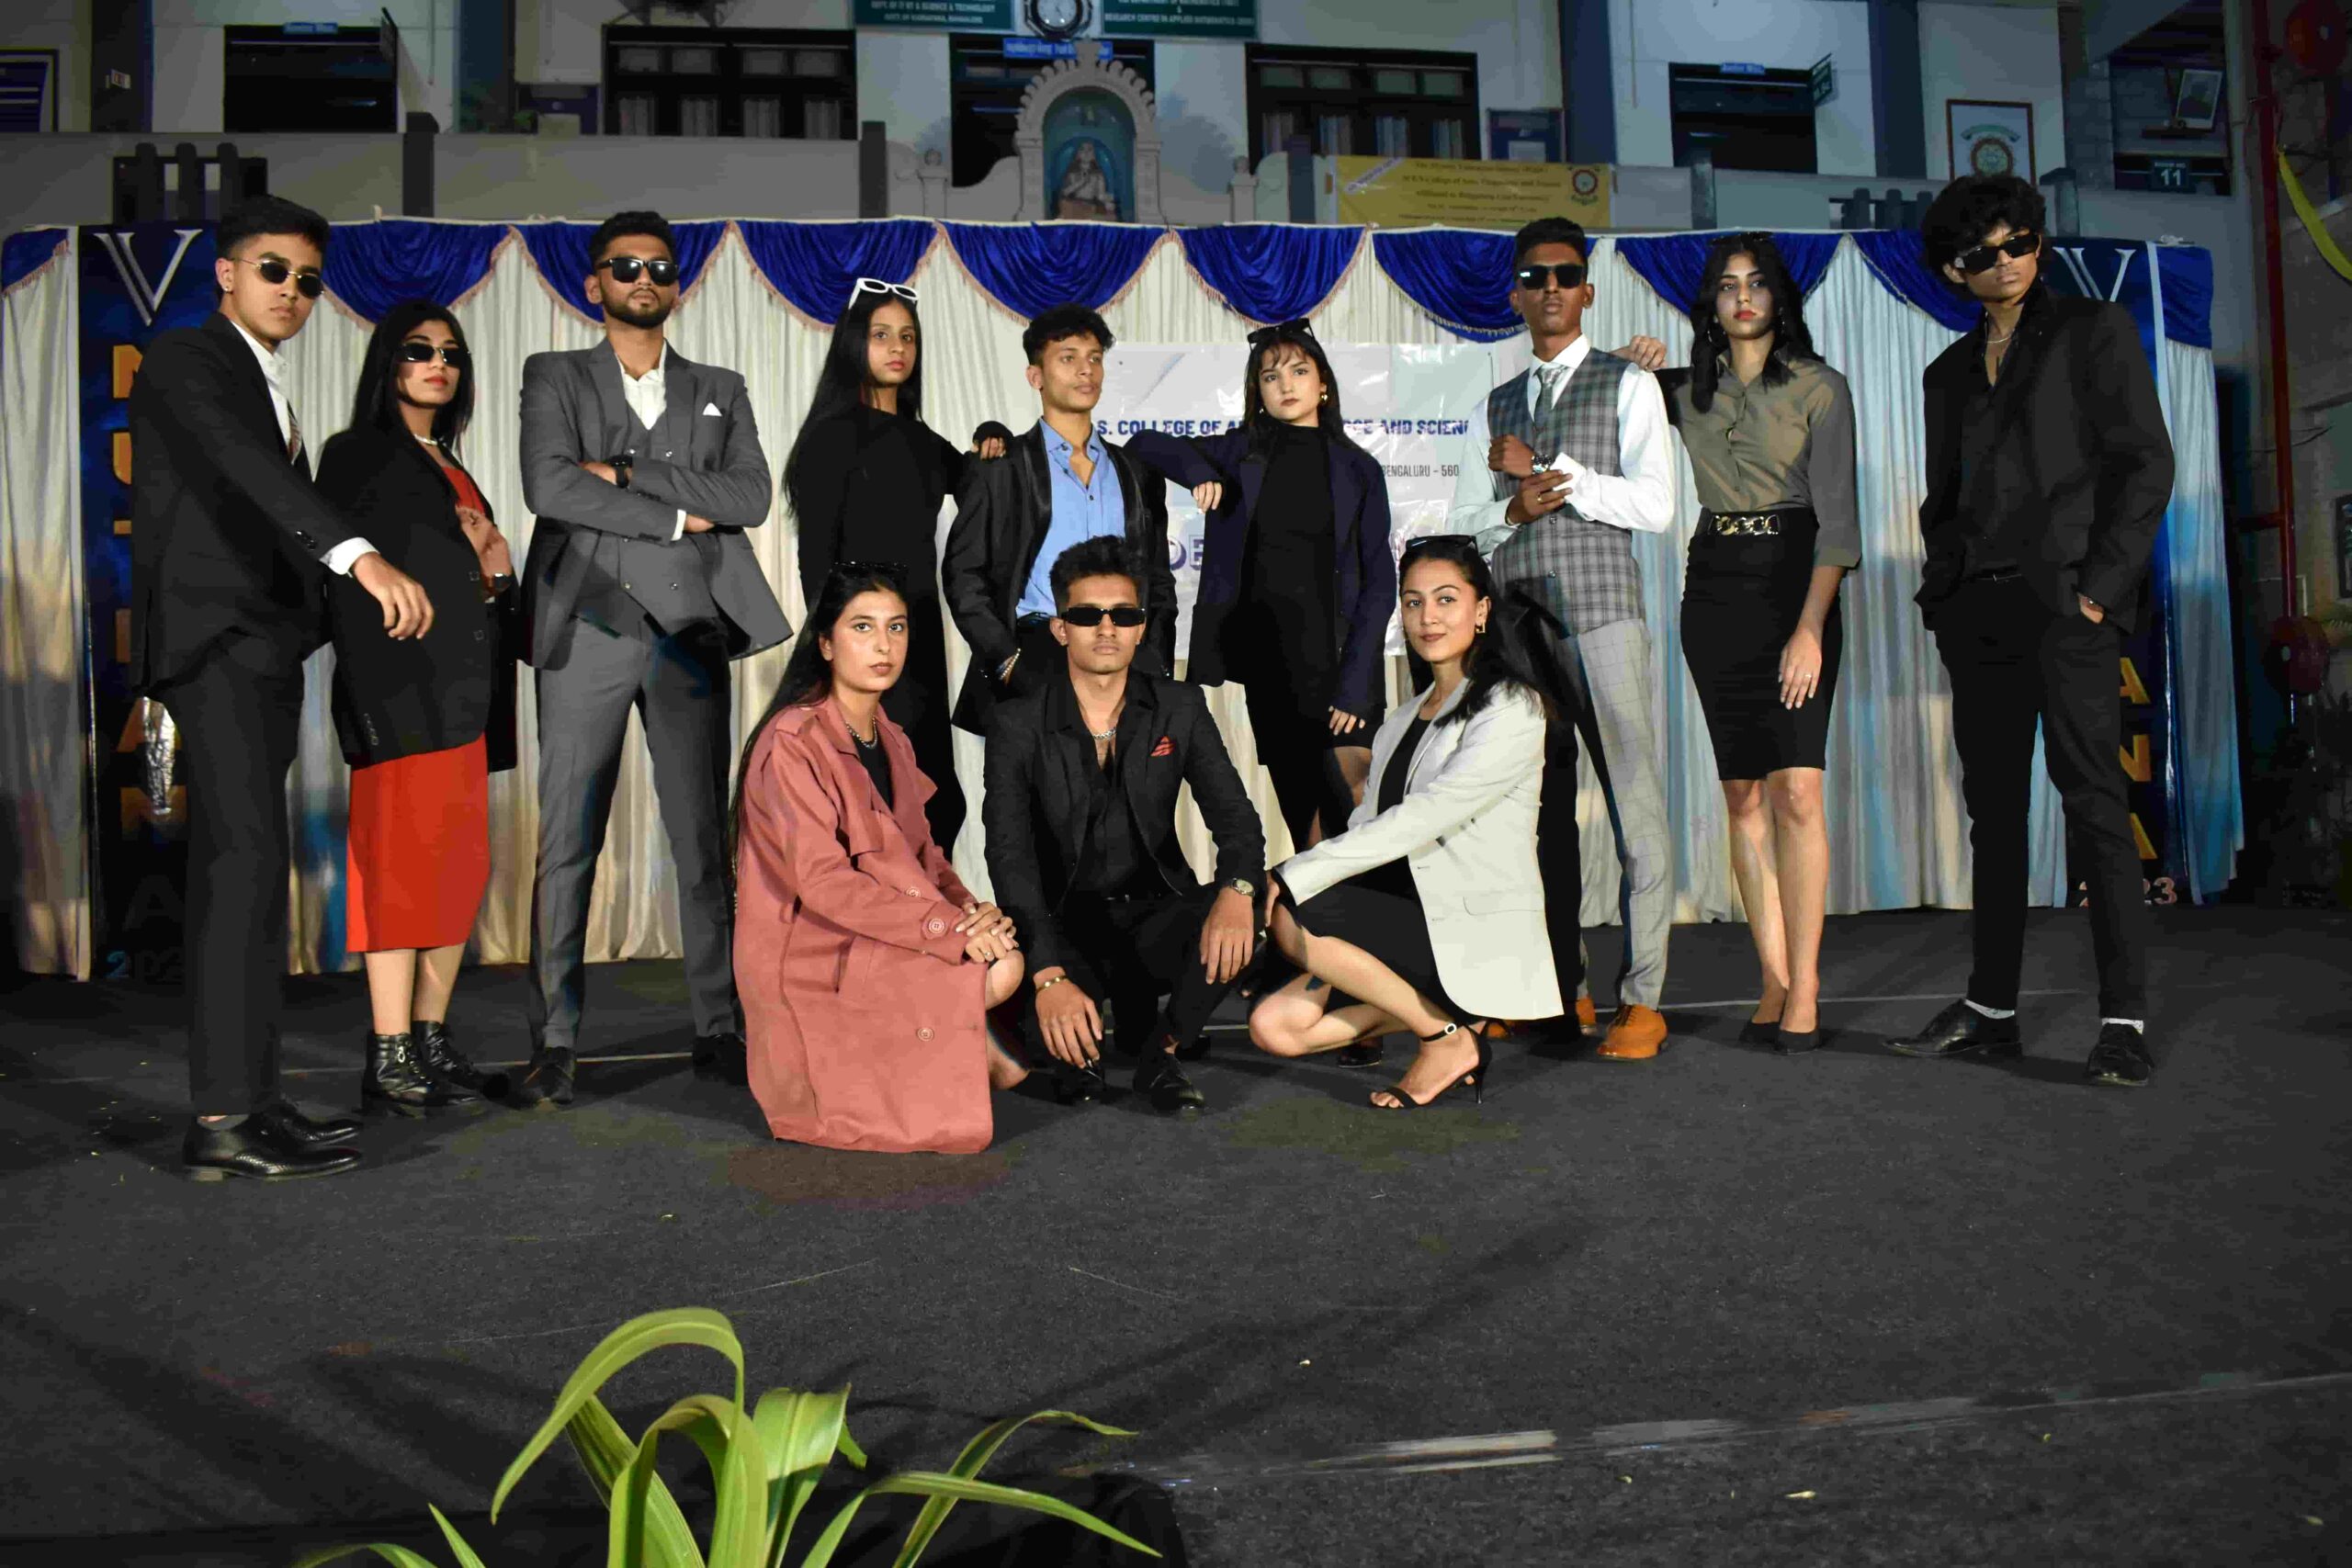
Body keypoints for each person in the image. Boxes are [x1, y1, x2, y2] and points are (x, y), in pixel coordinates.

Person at [130, 196, 435, 1180]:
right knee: (241, 870)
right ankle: (224, 1117)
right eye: (273, 270)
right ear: (226, 272)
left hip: (260, 646)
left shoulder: (263, 379)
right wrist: (359, 556)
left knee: (256, 877)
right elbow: (243, 470)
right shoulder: (189, 357)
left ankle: (252, 1105)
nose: (293, 292)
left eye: (308, 280)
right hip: (217, 640)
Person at [1889, 175, 2172, 1088]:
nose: (2008, 261)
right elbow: (1943, 499)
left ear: (2037, 245)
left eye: (2020, 243)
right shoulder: (1944, 374)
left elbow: (2145, 464)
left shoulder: (2094, 329)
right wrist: (1941, 596)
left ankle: (2122, 1022)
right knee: (1995, 819)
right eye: (1986, 253)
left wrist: (2099, 592)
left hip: (2067, 609)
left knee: (2096, 808)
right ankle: (1991, 1012)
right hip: (1977, 613)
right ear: (1954, 270)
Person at [514, 209, 790, 1106]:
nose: (644, 279)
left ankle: (717, 1025)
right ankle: (554, 1039)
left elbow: (749, 497)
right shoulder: (553, 373)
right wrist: (677, 514)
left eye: (660, 267)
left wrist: (628, 474)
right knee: (567, 843)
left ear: (678, 283)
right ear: (593, 282)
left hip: (689, 630)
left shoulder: (720, 385)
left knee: (702, 842)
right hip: (586, 626)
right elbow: (549, 485)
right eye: (625, 266)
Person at [1450, 216, 1679, 1061]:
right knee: (1537, 817)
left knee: (1634, 806)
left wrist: (1553, 473)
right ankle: (1559, 990)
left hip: (1602, 612)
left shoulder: (1629, 384)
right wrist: (1513, 505)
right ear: (1515, 294)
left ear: (1587, 290)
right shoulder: (1497, 404)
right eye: (1533, 277)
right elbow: (1475, 526)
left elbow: (1657, 506)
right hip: (1518, 626)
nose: (1549, 288)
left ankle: (1643, 999)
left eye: (1564, 275)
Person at [1250, 536, 1561, 1108]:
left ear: (1481, 610)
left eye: (1446, 599)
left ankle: (1443, 1041)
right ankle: (1453, 1023)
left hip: (1463, 923)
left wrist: (1294, 874)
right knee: (1276, 1028)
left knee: (1294, 914)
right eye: (1414, 602)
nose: (1428, 617)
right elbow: (1368, 827)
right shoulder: (1400, 720)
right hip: (1401, 916)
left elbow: (1429, 813)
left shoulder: (1511, 706)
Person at [732, 563, 1030, 1153]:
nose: (883, 645)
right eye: (862, 627)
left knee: (1005, 952)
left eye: (896, 628)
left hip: (869, 929)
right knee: (997, 971)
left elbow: (927, 859)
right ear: (825, 644)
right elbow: (824, 885)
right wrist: (947, 929)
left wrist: (973, 914)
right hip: (811, 949)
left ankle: (965, 1048)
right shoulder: (792, 741)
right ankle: (956, 1051)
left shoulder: (890, 736)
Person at [1657, 234, 1860, 1055]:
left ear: (1780, 297)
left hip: (1794, 583)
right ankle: (1772, 980)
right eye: (1728, 285)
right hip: (1713, 590)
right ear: (1711, 302)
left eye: (1757, 284)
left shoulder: (1821, 386)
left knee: (1797, 792)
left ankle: (1806, 983)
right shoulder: (1681, 391)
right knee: (1742, 796)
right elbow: (1603, 416)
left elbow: (1839, 526)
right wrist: (1632, 365)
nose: (1743, 297)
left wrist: (1810, 627)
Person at [316, 300, 520, 1112]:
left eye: (450, 353)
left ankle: (430, 1039)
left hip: (467, 700)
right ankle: (390, 1050)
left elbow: (475, 584)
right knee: (398, 875)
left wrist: (496, 569)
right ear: (387, 364)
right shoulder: (356, 454)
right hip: (399, 695)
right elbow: (341, 575)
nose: (438, 364)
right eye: (419, 350)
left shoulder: (454, 463)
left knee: (456, 873)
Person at [983, 537, 1267, 1115]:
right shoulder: (1017, 723)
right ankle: (1089, 1033)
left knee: (1256, 904)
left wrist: (1237, 890)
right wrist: (1048, 976)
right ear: (1061, 628)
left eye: (1124, 615)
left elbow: (1237, 821)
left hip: (1155, 917)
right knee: (1072, 1080)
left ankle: (1163, 1050)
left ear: (1141, 629)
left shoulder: (1179, 706)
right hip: (1063, 928)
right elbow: (1009, 857)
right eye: (1088, 615)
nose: (1107, 628)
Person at [1125, 318, 1396, 855]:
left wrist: (1356, 682)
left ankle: (1368, 909)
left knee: (1356, 810)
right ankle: (1315, 910)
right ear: (1258, 392)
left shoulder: (1359, 468)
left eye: (1299, 371)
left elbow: (1380, 582)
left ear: (1323, 382)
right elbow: (1144, 444)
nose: (1286, 384)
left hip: (1343, 666)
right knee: (1304, 817)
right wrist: (1198, 473)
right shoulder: (1239, 451)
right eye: (1271, 377)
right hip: (1272, 667)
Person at [783, 276, 1010, 853]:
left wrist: (992, 435)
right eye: (881, 335)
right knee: (873, 799)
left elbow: (979, 479)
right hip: (863, 640)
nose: (897, 348)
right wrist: (838, 646)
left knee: (936, 800)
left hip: (921, 636)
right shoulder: (829, 438)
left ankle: (927, 908)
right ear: (853, 342)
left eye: (907, 337)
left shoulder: (921, 439)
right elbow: (816, 564)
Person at [943, 302, 1175, 737]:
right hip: (1035, 652)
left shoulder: (1135, 472)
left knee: (1130, 781)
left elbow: (1158, 576)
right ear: (1036, 377)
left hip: (1124, 657)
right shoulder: (1002, 466)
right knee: (1035, 782)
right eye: (1068, 358)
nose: (1086, 370)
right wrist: (1006, 660)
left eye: (1094, 358)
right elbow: (963, 574)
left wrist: (1157, 659)